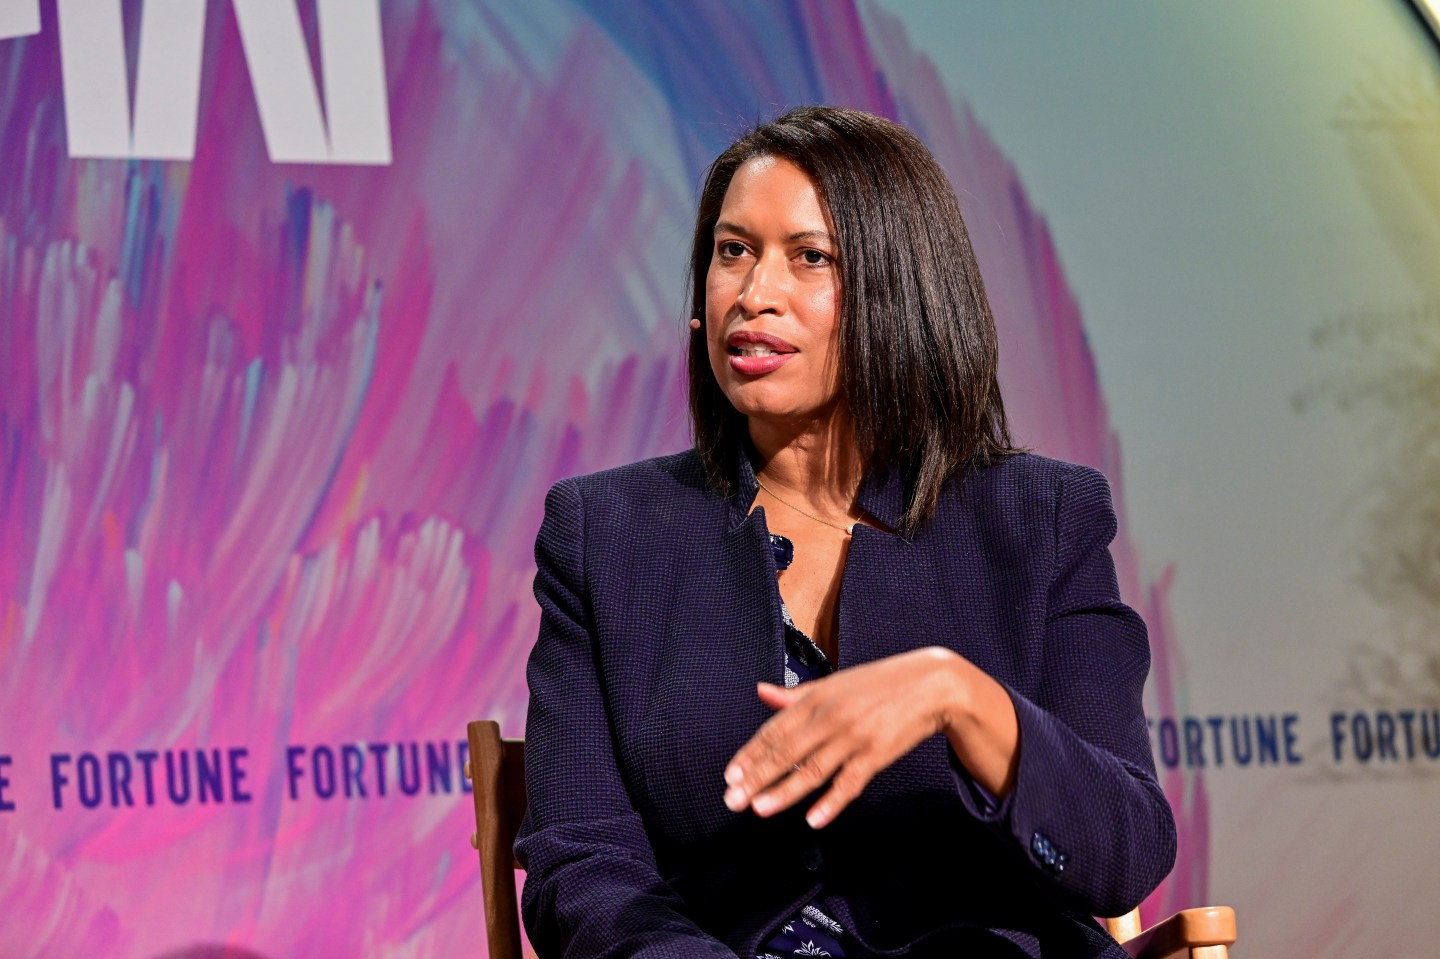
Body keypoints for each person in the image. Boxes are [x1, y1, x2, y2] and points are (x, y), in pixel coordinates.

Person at [515, 106, 1176, 958]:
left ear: (899, 291)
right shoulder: (604, 535)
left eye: (810, 257)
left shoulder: (1041, 521)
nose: (754, 294)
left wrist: (959, 698)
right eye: (732, 251)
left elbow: (1122, 851)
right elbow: (584, 864)